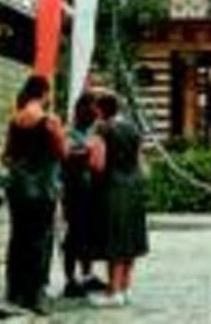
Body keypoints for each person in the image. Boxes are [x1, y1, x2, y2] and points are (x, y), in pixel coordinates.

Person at [1, 74, 66, 315]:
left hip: (17, 187)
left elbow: (5, 155)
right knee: (40, 238)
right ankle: (34, 292)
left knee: (18, 236)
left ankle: (14, 290)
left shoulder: (15, 119)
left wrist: (21, 166)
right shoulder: (50, 121)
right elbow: (62, 153)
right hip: (43, 187)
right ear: (44, 93)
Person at [85, 91, 149, 308]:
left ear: (101, 109)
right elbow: (143, 166)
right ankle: (125, 288)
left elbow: (98, 163)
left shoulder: (102, 128)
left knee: (115, 240)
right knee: (129, 240)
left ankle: (113, 291)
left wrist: (86, 155)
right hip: (134, 188)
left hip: (112, 188)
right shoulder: (133, 128)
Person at [60, 91, 104, 298]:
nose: (96, 113)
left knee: (90, 233)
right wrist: (87, 151)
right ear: (83, 110)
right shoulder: (69, 131)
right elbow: (65, 154)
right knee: (74, 235)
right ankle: (70, 279)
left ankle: (87, 275)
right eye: (93, 108)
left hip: (92, 191)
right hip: (74, 190)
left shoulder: (94, 131)